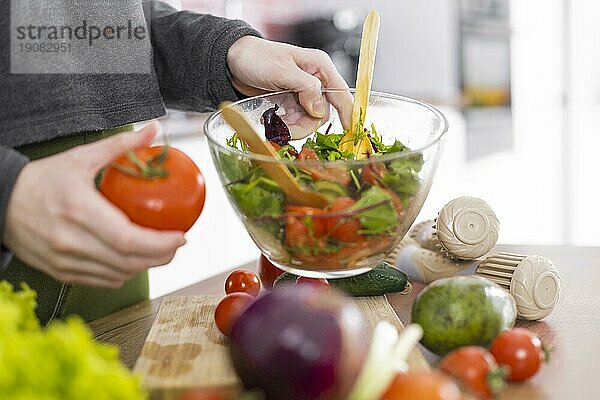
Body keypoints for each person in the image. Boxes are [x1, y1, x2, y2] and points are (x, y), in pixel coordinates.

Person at [0, 0, 353, 325]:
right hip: (22, 209)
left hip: (120, 204)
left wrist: (229, 51)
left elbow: (113, 24)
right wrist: (8, 189)